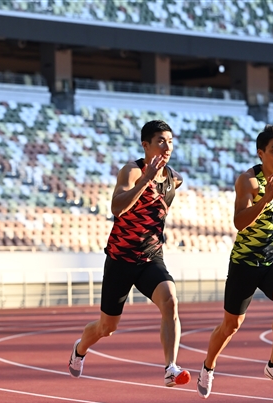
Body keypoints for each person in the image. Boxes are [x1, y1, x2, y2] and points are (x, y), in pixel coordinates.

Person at [68, 120, 190, 387]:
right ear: (145, 145)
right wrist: (146, 179)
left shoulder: (174, 179)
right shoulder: (131, 171)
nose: (166, 146)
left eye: (170, 141)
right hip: (120, 259)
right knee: (106, 328)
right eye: (160, 141)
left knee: (170, 301)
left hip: (150, 259)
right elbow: (117, 208)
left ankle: (171, 367)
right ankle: (79, 349)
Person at [197, 125, 273, 398]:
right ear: (260, 153)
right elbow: (239, 222)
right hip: (245, 262)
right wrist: (266, 199)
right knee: (231, 325)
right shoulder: (249, 182)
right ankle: (208, 366)